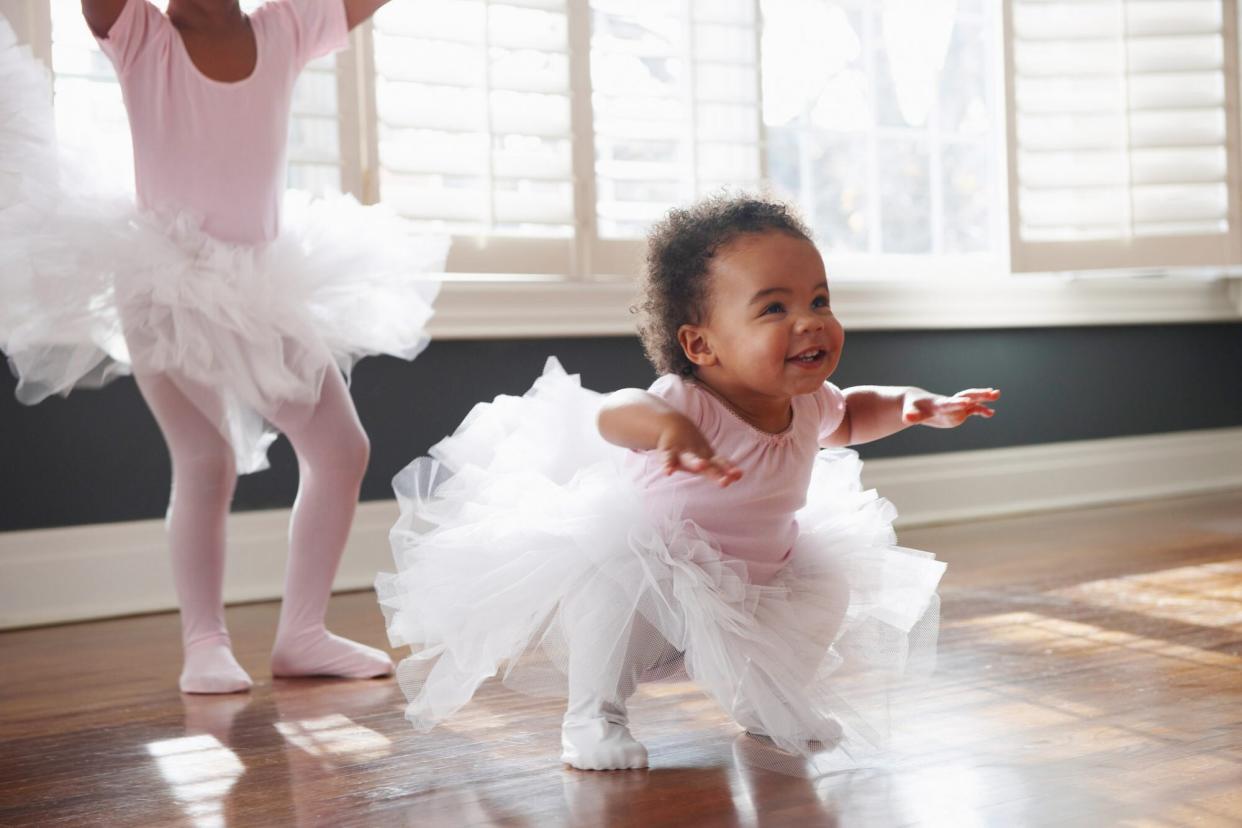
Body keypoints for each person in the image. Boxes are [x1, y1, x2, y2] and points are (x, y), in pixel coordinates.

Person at [377, 194, 998, 770]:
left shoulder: (807, 401)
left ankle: (767, 700)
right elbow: (613, 411)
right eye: (775, 308)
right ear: (701, 344)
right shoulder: (688, 401)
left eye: (820, 301)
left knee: (823, 592)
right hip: (660, 567)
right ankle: (593, 717)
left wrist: (919, 405)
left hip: (760, 573)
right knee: (606, 589)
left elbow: (858, 411)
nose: (810, 322)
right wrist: (667, 430)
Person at [0, 0, 446, 693]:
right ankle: (203, 642)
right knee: (205, 457)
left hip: (262, 285)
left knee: (340, 447)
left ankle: (302, 632)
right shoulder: (142, 34)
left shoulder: (285, 27)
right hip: (165, 285)